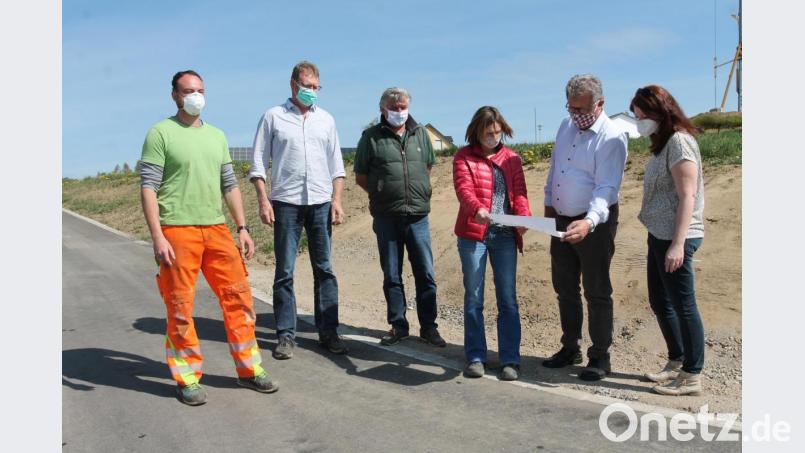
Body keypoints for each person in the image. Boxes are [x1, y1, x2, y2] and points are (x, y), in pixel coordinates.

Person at [139, 70, 277, 406]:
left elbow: (229, 185)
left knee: (239, 299)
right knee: (180, 307)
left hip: (216, 229)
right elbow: (149, 187)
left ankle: (249, 370)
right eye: (188, 91)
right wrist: (157, 235)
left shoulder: (217, 136)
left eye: (200, 90)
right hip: (177, 230)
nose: (195, 96)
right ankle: (187, 377)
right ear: (174, 95)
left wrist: (242, 227)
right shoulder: (160, 133)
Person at [249, 61, 348, 359]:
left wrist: (336, 200)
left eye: (316, 87)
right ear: (293, 84)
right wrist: (263, 201)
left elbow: (337, 166)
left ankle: (328, 333)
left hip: (320, 203)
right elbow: (258, 163)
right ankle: (285, 335)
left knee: (325, 270)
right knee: (285, 271)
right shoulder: (273, 117)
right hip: (286, 204)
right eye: (307, 86)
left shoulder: (326, 120)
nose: (312, 92)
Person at [542, 74, 628, 381]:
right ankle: (570, 347)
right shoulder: (565, 126)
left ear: (599, 103)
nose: (575, 114)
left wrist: (589, 222)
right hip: (561, 220)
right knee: (565, 287)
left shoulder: (612, 137)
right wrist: (549, 205)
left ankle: (600, 355)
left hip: (595, 224)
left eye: (580, 109)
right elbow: (555, 170)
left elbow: (606, 188)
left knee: (596, 290)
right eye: (570, 107)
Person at [353, 88, 447, 348]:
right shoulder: (371, 137)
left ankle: (429, 327)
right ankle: (398, 325)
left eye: (403, 107)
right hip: (387, 216)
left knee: (425, 273)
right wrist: (382, 192)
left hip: (418, 216)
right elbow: (361, 175)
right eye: (394, 107)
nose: (399, 112)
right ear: (382, 109)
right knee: (392, 274)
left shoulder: (421, 134)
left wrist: (417, 191)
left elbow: (427, 166)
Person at [630, 85, 706, 396]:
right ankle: (677, 360)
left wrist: (678, 243)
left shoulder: (679, 142)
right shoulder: (663, 144)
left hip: (676, 236)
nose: (639, 122)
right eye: (636, 116)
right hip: (659, 234)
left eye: (642, 116)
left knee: (684, 305)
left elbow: (688, 195)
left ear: (660, 112)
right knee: (661, 301)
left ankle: (692, 375)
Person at [452, 106, 531, 381]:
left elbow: (520, 193)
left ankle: (510, 359)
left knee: (507, 297)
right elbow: (463, 189)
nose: (494, 137)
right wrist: (476, 209)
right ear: (477, 131)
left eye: (498, 132)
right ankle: (476, 356)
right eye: (488, 133)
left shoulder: (512, 159)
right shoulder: (463, 157)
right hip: (473, 234)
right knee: (474, 296)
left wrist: (523, 217)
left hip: (505, 236)